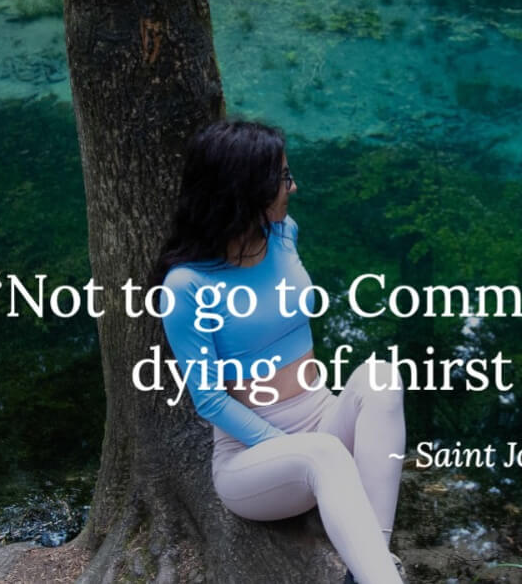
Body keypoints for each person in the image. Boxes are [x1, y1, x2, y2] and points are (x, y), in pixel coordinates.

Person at [151, 119, 405, 584]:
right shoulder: (186, 287)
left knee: (382, 377)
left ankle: (367, 567)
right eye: (284, 178)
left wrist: (319, 440)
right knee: (322, 455)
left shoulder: (283, 234)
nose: (295, 185)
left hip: (322, 420)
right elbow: (208, 400)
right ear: (244, 189)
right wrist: (287, 447)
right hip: (252, 460)